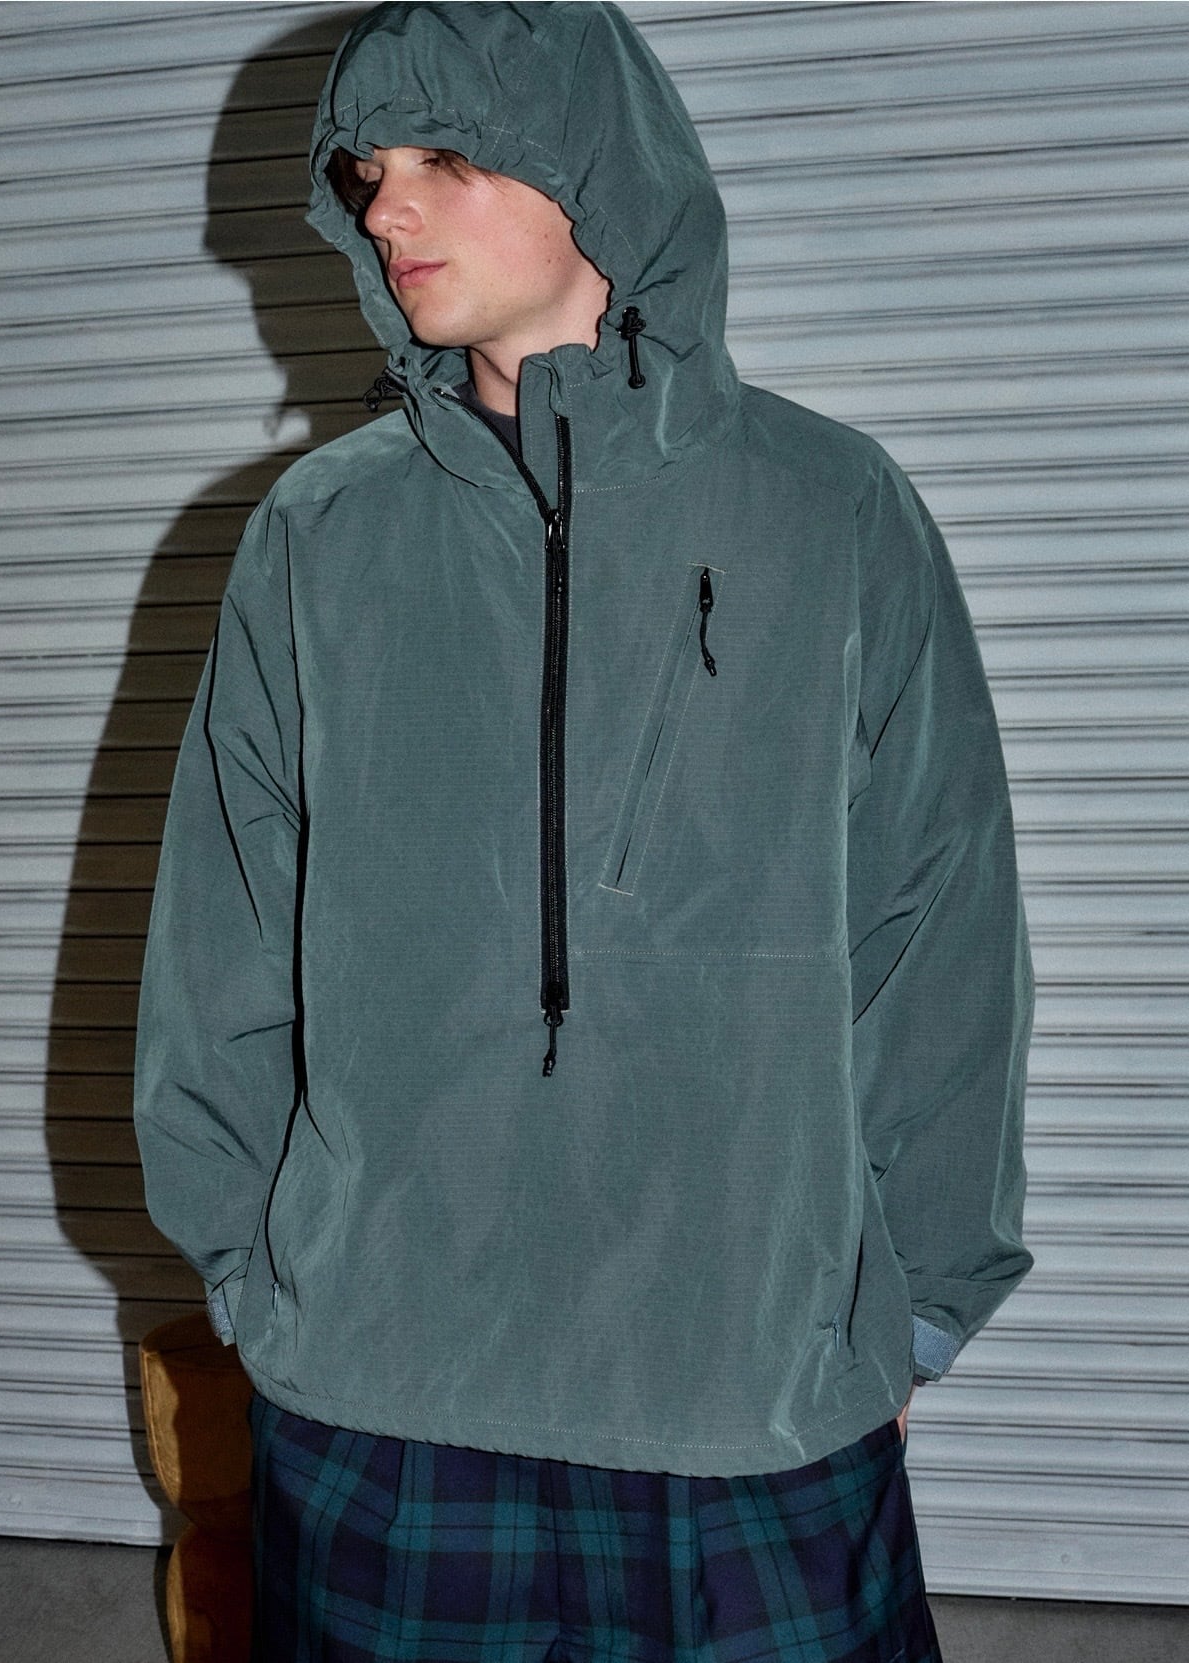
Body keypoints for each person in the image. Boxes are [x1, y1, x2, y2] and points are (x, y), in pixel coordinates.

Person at [133, 4, 1034, 1658]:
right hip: (385, 1390)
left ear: (599, 171)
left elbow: (940, 931)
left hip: (747, 1393)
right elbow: (223, 943)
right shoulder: (316, 541)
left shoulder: (833, 510)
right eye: (368, 170)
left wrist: (910, 1310)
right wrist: (259, 1283)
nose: (387, 207)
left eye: (446, 160)